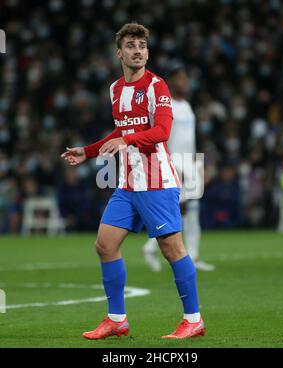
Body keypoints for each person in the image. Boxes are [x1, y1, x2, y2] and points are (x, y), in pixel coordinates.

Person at [61, 23, 205, 340]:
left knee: (172, 250)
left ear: (147, 52)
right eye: (130, 45)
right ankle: (116, 319)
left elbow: (161, 132)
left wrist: (127, 141)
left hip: (156, 181)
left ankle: (193, 320)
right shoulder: (115, 89)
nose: (137, 50)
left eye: (142, 45)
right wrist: (88, 151)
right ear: (120, 53)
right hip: (127, 183)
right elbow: (120, 131)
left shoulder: (157, 86)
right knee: (105, 244)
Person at [143, 66, 215, 272]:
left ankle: (192, 254)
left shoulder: (187, 106)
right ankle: (153, 246)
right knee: (181, 208)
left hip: (189, 163)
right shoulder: (165, 106)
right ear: (171, 82)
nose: (185, 82)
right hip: (173, 162)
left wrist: (198, 166)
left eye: (186, 78)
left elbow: (191, 140)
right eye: (181, 79)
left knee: (191, 209)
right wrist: (172, 164)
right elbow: (162, 138)